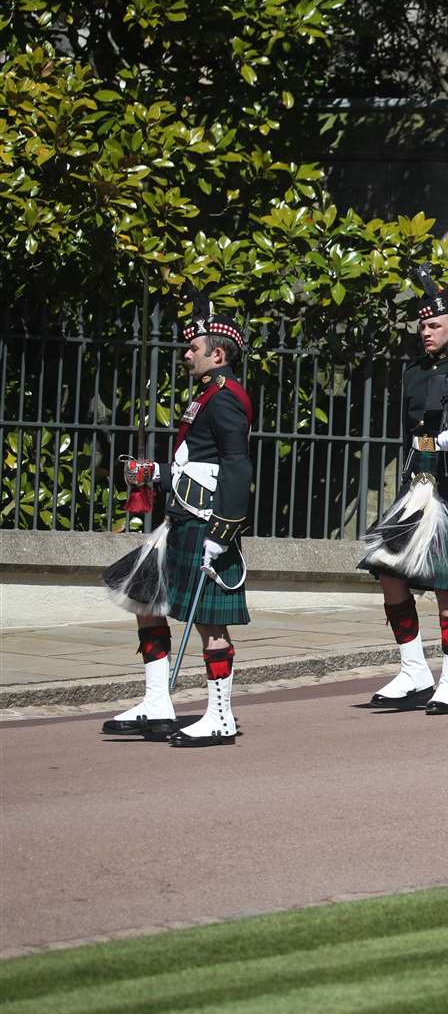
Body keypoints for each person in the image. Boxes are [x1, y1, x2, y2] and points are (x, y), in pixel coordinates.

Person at [101, 308, 253, 747]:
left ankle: (220, 717)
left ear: (217, 353)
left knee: (210, 624)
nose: (186, 354)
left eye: (193, 348)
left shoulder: (225, 397)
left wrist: (222, 534)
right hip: (181, 518)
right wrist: (155, 473)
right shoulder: (205, 394)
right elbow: (195, 463)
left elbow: (236, 468)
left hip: (206, 524)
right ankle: (157, 702)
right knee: (144, 598)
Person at [361, 277, 448, 715]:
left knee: (446, 586)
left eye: (435, 323)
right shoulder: (414, 372)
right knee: (387, 568)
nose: (426, 330)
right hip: (419, 480)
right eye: (423, 324)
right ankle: (413, 668)